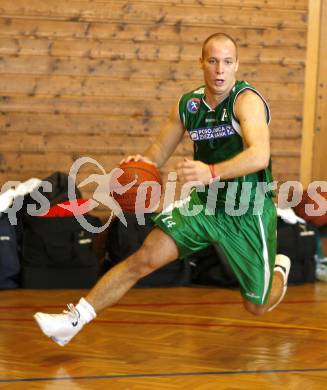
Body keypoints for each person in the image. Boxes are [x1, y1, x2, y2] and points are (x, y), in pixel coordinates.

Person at [34, 33, 290, 347]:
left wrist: (210, 171)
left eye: (226, 62)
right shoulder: (189, 105)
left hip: (247, 211)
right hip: (205, 206)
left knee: (256, 306)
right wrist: (145, 161)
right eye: (212, 61)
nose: (220, 70)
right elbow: (158, 148)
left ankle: (278, 267)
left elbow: (259, 155)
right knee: (143, 258)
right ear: (202, 63)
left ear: (237, 64)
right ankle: (73, 320)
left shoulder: (246, 101)